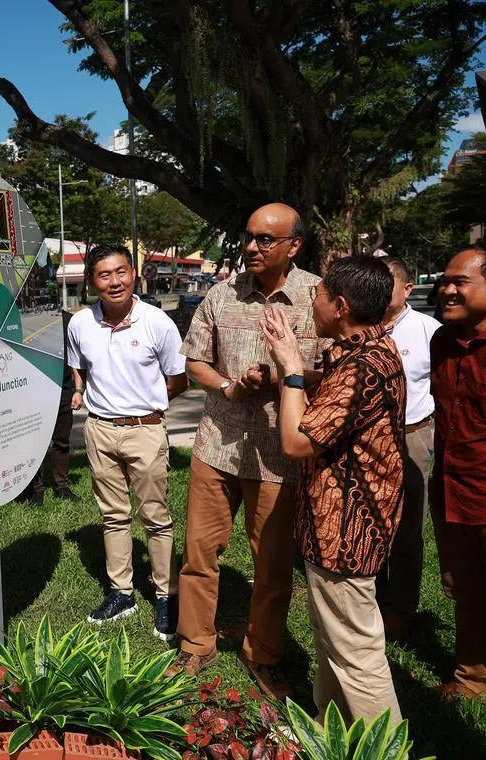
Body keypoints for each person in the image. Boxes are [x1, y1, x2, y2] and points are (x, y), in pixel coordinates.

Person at [169, 203, 329, 700]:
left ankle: (263, 654)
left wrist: (285, 377)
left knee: (273, 565)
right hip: (217, 446)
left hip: (279, 455)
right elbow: (195, 362)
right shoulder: (221, 293)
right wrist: (229, 387)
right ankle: (195, 643)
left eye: (266, 239)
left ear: (293, 246)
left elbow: (335, 366)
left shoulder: (319, 297)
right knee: (199, 553)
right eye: (249, 237)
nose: (252, 247)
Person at [261, 255, 404, 724]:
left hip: (347, 533)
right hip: (334, 529)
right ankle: (332, 729)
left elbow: (296, 441)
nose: (311, 300)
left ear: (339, 306)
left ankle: (384, 749)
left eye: (317, 295)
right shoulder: (363, 352)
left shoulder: (362, 367)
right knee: (332, 642)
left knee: (358, 656)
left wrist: (291, 370)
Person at [68, 244, 188, 640]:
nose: (114, 281)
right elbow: (79, 366)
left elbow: (179, 378)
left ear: (133, 274)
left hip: (146, 430)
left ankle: (166, 595)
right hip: (99, 430)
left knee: (155, 516)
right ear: (92, 282)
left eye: (121, 272)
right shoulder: (80, 324)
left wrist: (146, 409)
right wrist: (81, 390)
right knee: (113, 515)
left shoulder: (157, 323)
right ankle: (122, 592)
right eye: (105, 275)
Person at [429, 245, 486, 702]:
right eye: (444, 280)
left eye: (459, 282)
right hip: (451, 489)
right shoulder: (442, 342)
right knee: (465, 587)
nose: (445, 289)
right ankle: (472, 677)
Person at [375, 257, 441, 640]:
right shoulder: (360, 326)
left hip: (411, 438)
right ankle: (368, 599)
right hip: (365, 440)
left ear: (407, 288)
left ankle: (399, 610)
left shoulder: (428, 331)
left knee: (407, 526)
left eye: (388, 283)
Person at [22, 309, 76, 505]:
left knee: (62, 441)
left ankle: (61, 486)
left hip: (63, 389)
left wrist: (77, 389)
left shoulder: (68, 320)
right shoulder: (24, 318)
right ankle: (36, 489)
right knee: (35, 444)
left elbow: (75, 356)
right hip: (33, 390)